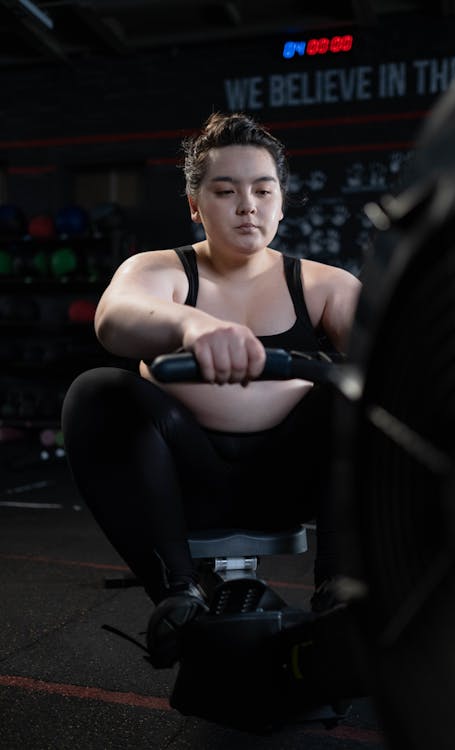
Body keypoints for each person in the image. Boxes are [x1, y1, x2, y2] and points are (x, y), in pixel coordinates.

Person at [61, 111, 361, 667]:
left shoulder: (324, 284)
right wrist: (192, 326)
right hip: (182, 481)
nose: (247, 205)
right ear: (196, 206)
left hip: (290, 480)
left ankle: (342, 592)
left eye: (262, 190)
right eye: (226, 191)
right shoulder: (160, 271)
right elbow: (114, 318)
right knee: (97, 391)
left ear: (279, 199)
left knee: (365, 393)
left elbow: (394, 345)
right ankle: (178, 596)